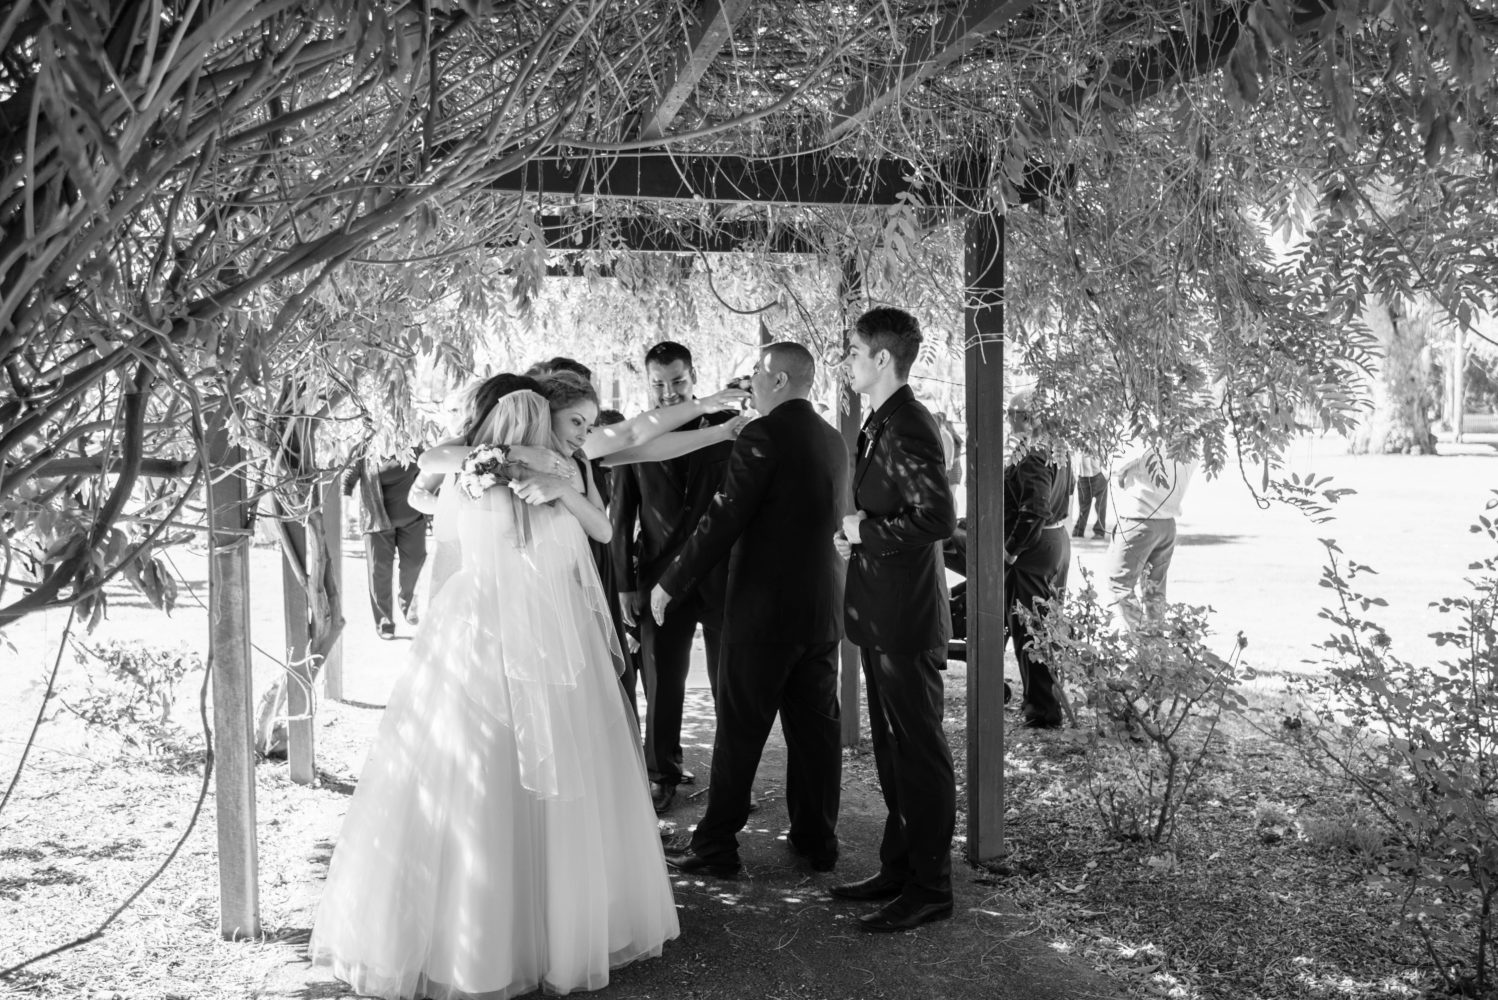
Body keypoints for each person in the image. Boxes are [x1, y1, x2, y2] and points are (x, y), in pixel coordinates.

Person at [310, 390, 678, 1000]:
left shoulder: (497, 478)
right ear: (541, 427)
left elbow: (451, 551)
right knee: (525, 770)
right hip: (528, 632)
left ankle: (478, 937)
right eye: (571, 424)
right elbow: (570, 547)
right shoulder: (519, 473)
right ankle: (548, 931)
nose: (576, 436)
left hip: (475, 625)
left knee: (473, 770)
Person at [649, 342, 848, 879]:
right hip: (820, 612)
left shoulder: (764, 434)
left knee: (739, 729)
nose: (749, 383)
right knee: (816, 731)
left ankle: (715, 845)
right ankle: (817, 839)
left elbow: (724, 515)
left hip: (764, 617)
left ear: (779, 380)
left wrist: (672, 580)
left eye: (755, 375)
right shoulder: (832, 439)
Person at [832, 307, 959, 933]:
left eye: (854, 351)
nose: (847, 361)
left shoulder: (908, 423)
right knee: (891, 751)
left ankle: (932, 887)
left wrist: (867, 531)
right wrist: (860, 537)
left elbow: (937, 518)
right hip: (883, 614)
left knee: (918, 752)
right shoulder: (883, 420)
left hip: (907, 621)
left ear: (883, 359)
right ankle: (899, 866)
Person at [610, 341, 737, 814]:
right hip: (658, 574)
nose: (668, 392)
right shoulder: (635, 436)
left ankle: (731, 778)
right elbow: (621, 515)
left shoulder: (725, 430)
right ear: (647, 384)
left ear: (694, 376)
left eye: (677, 381)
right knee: (662, 682)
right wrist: (625, 583)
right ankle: (661, 774)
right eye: (658, 384)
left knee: (729, 682)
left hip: (722, 575)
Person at [1003, 390, 1075, 730]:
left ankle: (1043, 709)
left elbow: (1033, 510)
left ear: (1026, 417)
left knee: (1030, 626)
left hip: (1036, 546)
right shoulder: (1059, 448)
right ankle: (1045, 701)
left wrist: (1011, 549)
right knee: (1047, 623)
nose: (1006, 420)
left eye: (1010, 414)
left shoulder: (1032, 454)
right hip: (1057, 539)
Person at [1104, 439, 1198, 631]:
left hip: (1138, 518)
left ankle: (1142, 643)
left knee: (1120, 585)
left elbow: (1115, 465)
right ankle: (1155, 646)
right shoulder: (1191, 441)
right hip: (1167, 522)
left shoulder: (1149, 438)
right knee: (1154, 589)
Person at [341, 450, 428, 639]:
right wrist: (345, 511)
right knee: (379, 572)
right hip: (376, 521)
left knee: (414, 562)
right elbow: (348, 477)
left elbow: (429, 469)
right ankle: (385, 624)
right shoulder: (366, 447)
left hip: (412, 519)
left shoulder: (412, 442)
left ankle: (407, 599)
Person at [1072, 448, 1108, 540]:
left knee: (1100, 506)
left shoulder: (1097, 435)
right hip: (1082, 475)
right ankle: (1078, 531)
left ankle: (1099, 532)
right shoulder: (1076, 437)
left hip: (1098, 474)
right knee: (1083, 506)